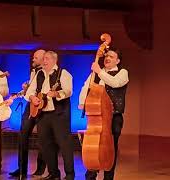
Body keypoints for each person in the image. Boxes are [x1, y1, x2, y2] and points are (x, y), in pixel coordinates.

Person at [79, 47, 129, 180]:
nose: (107, 58)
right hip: (96, 116)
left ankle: (108, 177)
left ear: (118, 61)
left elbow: (115, 83)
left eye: (111, 57)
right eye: (106, 56)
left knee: (110, 148)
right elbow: (86, 87)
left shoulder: (122, 72)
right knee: (92, 146)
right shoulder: (96, 74)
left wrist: (99, 71)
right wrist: (82, 101)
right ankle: (91, 174)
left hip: (114, 117)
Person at [25, 51, 75, 180]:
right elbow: (30, 91)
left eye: (47, 58)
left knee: (64, 144)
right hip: (43, 114)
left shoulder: (63, 73)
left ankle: (69, 174)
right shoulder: (39, 74)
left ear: (54, 60)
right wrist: (32, 98)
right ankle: (54, 173)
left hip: (59, 114)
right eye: (44, 59)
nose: (44, 61)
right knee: (45, 145)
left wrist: (57, 94)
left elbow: (68, 91)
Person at [9, 49, 47, 178]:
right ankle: (21, 169)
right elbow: (33, 88)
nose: (33, 59)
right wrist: (27, 89)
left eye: (36, 58)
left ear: (43, 59)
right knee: (22, 135)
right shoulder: (33, 72)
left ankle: (40, 169)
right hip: (29, 105)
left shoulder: (47, 72)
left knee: (42, 138)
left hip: (42, 106)